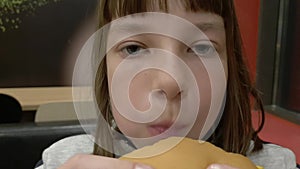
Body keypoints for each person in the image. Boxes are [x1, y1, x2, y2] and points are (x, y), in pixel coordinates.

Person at [35, 0, 297, 169]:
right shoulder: (61, 160)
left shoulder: (278, 165)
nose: (169, 81)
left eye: (201, 47)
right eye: (134, 48)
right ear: (105, 71)